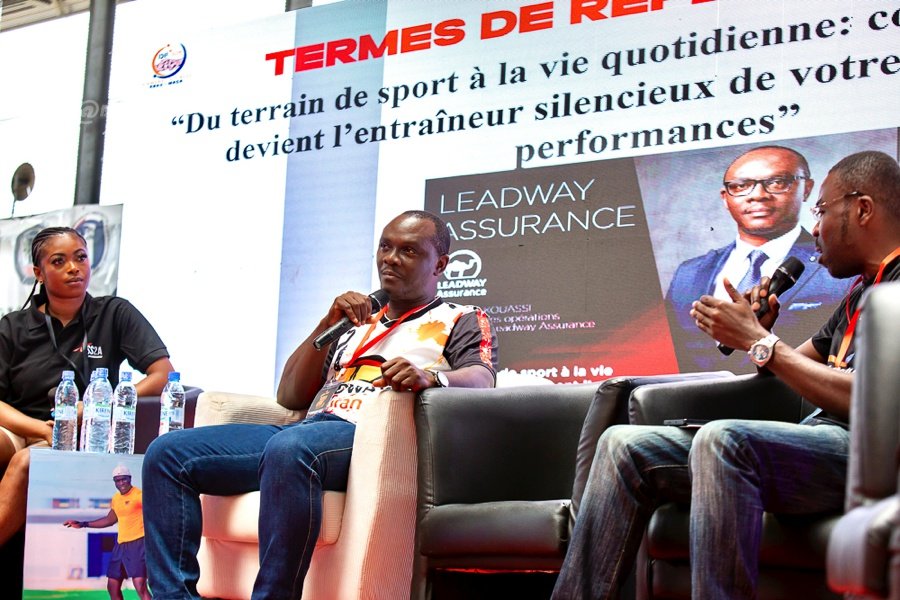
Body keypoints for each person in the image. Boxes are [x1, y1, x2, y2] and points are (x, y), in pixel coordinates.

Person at [552, 150, 900, 599]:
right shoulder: (861, 291)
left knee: (724, 440)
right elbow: (793, 369)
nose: (815, 228)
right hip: (820, 443)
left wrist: (761, 341)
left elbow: (876, 403)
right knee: (624, 444)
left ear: (863, 209)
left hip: (872, 457)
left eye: (821, 211)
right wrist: (759, 335)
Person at [143, 210, 498, 599]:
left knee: (290, 449)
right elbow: (290, 397)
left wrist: (430, 377)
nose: (390, 259)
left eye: (408, 251)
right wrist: (326, 324)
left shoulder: (461, 318)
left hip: (368, 440)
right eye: (385, 247)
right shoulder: (355, 320)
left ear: (440, 265)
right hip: (308, 431)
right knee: (167, 454)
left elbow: (481, 378)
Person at [0, 226, 174, 547]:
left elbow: (162, 374)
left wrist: (99, 406)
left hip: (81, 432)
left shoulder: (113, 313)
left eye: (80, 257)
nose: (73, 267)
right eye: (59, 261)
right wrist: (38, 429)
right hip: (24, 426)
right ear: (38, 273)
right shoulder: (13, 326)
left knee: (27, 462)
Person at [665, 145, 850, 372]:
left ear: (806, 189)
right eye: (741, 186)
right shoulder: (688, 274)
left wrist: (758, 338)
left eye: (777, 182)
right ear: (725, 197)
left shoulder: (839, 265)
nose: (758, 195)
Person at [64, 465, 151, 600]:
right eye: (117, 480)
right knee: (112, 586)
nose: (121, 483)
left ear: (130, 478)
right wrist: (83, 524)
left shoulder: (139, 496)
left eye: (124, 479)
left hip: (138, 543)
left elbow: (155, 516)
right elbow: (109, 520)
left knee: (140, 585)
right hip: (120, 545)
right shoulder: (116, 498)